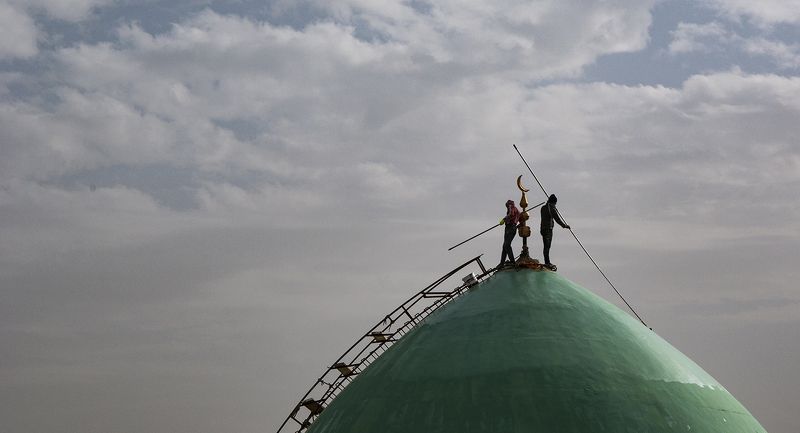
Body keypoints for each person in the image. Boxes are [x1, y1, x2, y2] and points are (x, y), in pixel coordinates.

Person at [540, 194, 570, 267]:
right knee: (547, 246)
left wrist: (553, 208)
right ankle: (547, 262)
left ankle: (547, 261)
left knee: (545, 246)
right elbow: (557, 219)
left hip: (542, 229)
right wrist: (564, 226)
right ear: (554, 202)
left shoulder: (543, 207)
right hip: (548, 229)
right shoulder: (551, 209)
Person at [500, 200, 520, 266]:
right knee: (505, 245)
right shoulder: (516, 209)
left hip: (510, 228)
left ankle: (512, 261)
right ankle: (502, 262)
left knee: (506, 245)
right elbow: (519, 216)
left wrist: (504, 219)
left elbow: (511, 214)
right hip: (510, 228)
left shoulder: (511, 207)